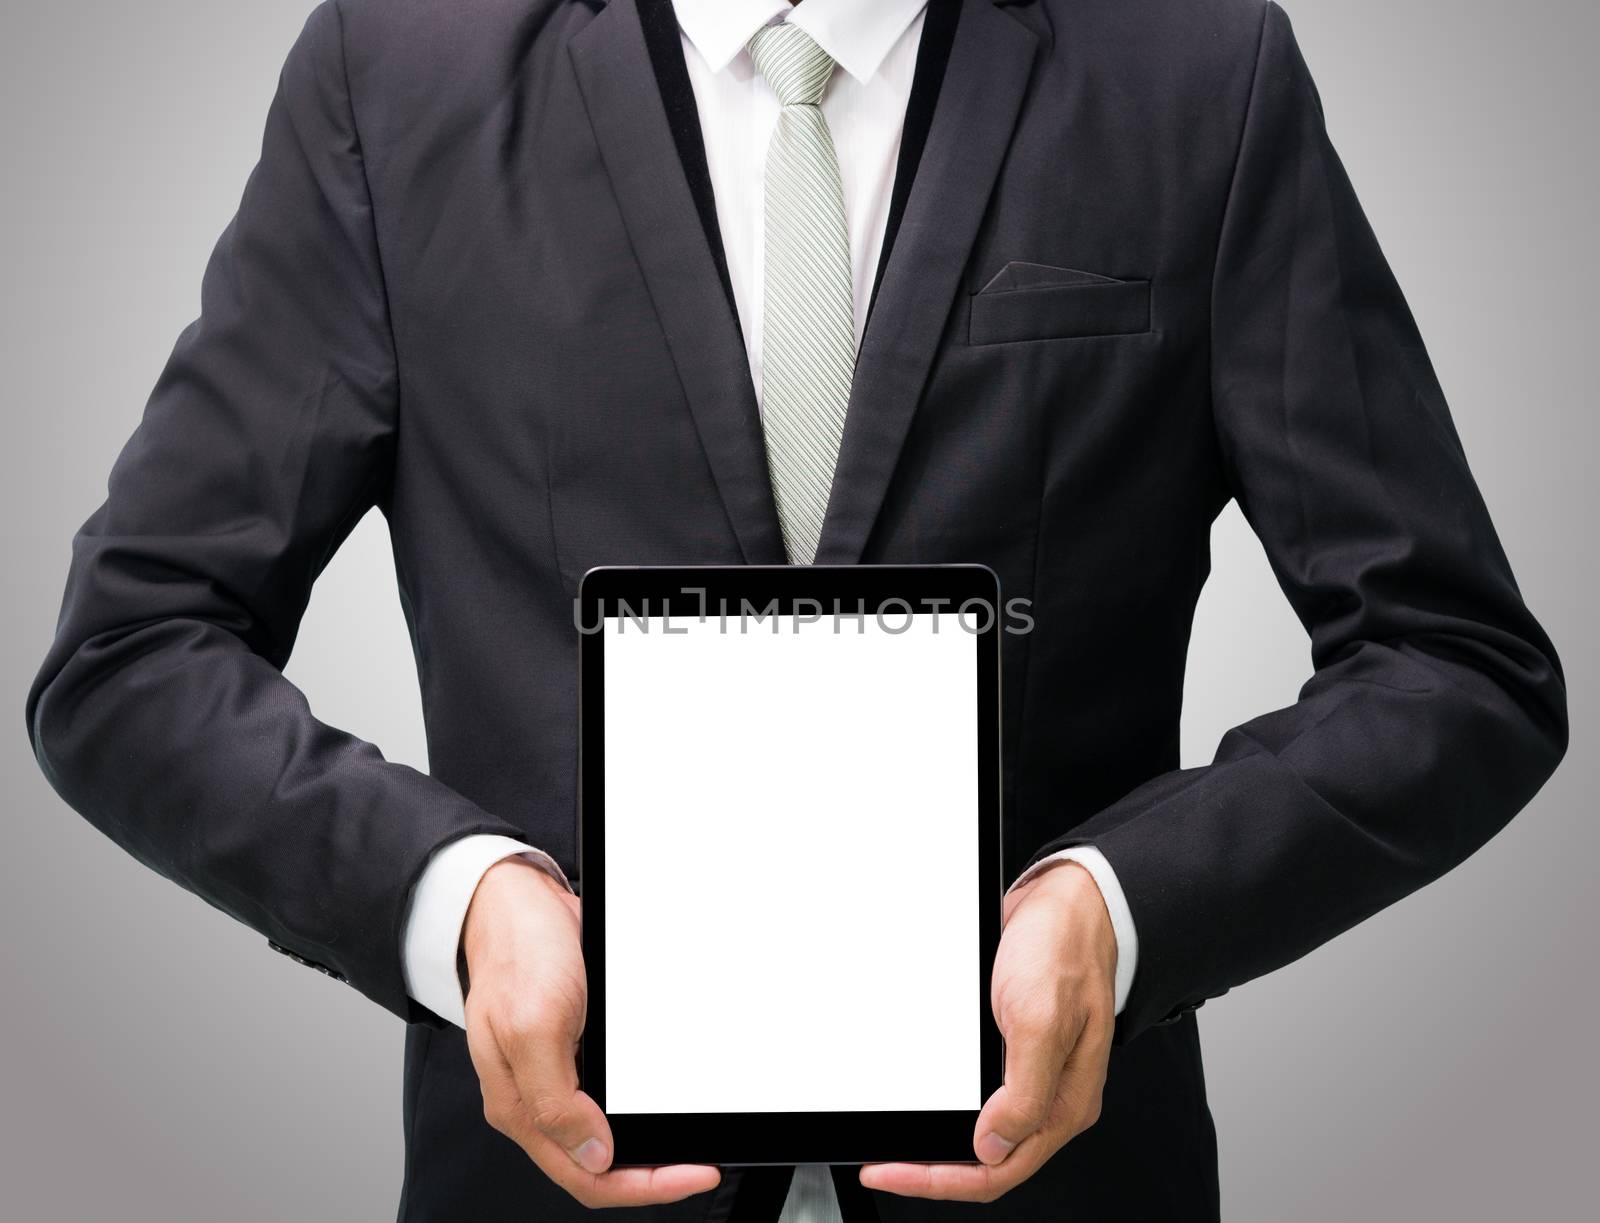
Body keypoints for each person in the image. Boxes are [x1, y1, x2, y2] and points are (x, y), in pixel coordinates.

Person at [24, 1, 1567, 1220]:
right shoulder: (392, 70)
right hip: (556, 1194)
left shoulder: (1196, 71)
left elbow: (1455, 664)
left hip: (1071, 1191)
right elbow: (134, 652)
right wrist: (458, 902)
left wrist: (1122, 910)